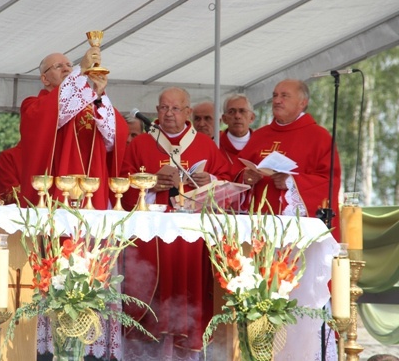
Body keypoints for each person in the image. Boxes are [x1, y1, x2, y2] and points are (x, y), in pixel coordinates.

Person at [120, 87, 232, 358]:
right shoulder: (141, 144)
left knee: (188, 293)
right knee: (149, 294)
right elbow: (122, 188)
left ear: (188, 112)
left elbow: (228, 184)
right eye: (163, 108)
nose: (168, 114)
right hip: (151, 239)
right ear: (156, 111)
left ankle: (186, 347)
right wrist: (150, 183)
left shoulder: (206, 145)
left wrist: (211, 181)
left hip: (191, 237)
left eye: (175, 109)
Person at [19, 47, 128, 210]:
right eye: (58, 66)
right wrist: (81, 70)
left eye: (69, 65)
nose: (66, 69)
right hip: (57, 184)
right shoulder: (33, 104)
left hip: (93, 185)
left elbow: (114, 139)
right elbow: (56, 110)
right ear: (45, 79)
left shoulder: (91, 103)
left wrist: (98, 96)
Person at [239, 79, 341, 238]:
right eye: (275, 96)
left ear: (302, 102)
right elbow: (235, 172)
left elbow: (330, 182)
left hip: (297, 231)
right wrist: (245, 177)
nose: (277, 101)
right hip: (258, 227)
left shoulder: (319, 137)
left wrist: (292, 182)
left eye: (284, 96)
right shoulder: (259, 135)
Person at [219, 93, 256, 175]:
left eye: (242, 111)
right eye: (231, 112)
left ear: (252, 117)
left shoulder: (261, 144)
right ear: (224, 119)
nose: (237, 116)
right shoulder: (215, 144)